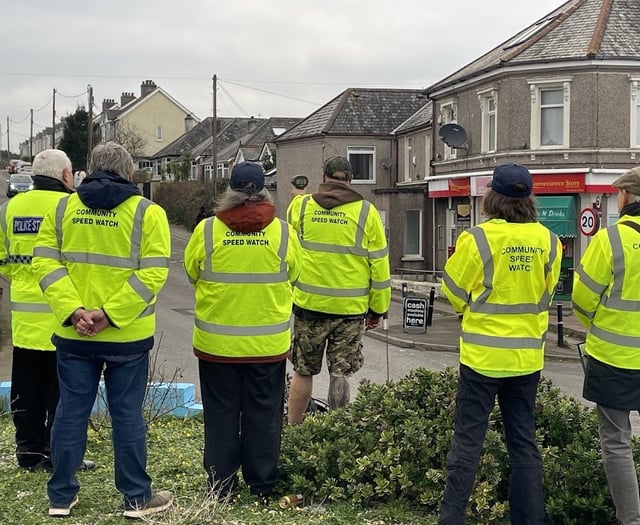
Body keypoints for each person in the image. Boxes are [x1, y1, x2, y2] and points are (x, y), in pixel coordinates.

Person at [32, 142, 173, 519]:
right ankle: (136, 497)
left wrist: (74, 311)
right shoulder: (148, 213)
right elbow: (154, 272)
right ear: (130, 173)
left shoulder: (63, 208)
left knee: (69, 413)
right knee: (127, 416)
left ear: (88, 170)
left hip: (75, 335)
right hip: (126, 335)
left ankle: (60, 496)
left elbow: (44, 264)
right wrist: (110, 315)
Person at [438, 163, 561, 525]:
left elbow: (453, 291)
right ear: (529, 199)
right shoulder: (549, 240)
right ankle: (530, 519)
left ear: (492, 196)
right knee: (523, 442)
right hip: (526, 359)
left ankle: (452, 519)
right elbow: (547, 295)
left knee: (468, 442)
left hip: (481, 358)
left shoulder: (476, 238)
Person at [184, 161, 301, 498]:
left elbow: (193, 273)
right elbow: (296, 274)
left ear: (229, 190)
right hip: (267, 346)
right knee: (263, 415)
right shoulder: (283, 232)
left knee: (220, 415)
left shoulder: (207, 230)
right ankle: (262, 484)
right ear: (264, 189)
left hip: (217, 346)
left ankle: (221, 486)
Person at [0, 149, 95, 473]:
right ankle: (60, 456)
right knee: (63, 396)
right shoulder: (71, 207)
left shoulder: (9, 209)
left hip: (25, 320)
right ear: (66, 176)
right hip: (64, 319)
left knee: (26, 392)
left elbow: (2, 258)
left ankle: (29, 454)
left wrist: (22, 280)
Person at [286, 156, 391, 424]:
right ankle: (336, 432)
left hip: (309, 306)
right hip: (349, 310)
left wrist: (299, 195)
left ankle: (294, 430)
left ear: (323, 178)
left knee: (303, 371)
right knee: (340, 373)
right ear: (350, 181)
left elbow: (290, 237)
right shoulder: (367, 213)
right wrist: (378, 309)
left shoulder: (301, 207)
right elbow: (379, 267)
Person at [572, 166, 640, 525]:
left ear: (627, 198)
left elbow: (582, 298)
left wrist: (599, 324)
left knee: (617, 442)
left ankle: (630, 519)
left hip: (614, 358)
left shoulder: (610, 240)